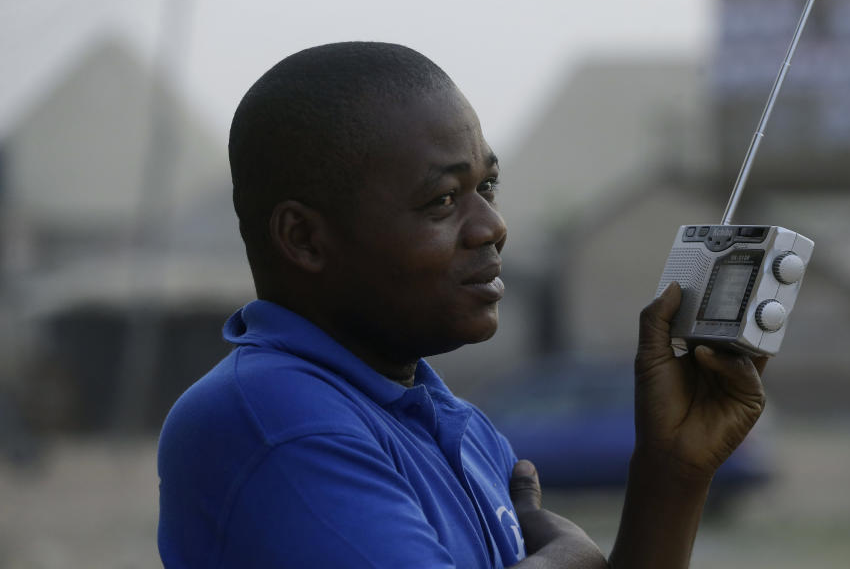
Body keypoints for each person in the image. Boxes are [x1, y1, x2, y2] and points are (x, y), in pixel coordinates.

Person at [157, 42, 767, 568]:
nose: (493, 226)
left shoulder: (458, 428)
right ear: (304, 239)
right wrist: (570, 554)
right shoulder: (272, 420)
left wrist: (673, 470)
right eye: (443, 200)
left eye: (488, 187)